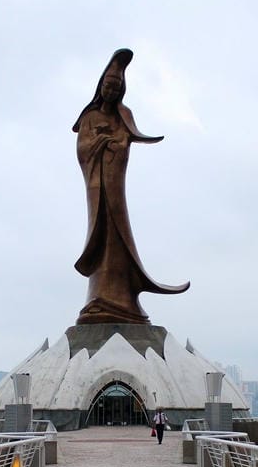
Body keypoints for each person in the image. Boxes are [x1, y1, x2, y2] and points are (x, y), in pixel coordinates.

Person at [72, 49, 189, 325]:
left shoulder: (124, 114)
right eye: (107, 85)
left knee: (118, 233)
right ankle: (99, 296)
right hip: (98, 185)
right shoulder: (89, 117)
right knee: (101, 233)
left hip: (114, 183)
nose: (111, 91)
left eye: (116, 87)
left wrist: (116, 144)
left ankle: (122, 298)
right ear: (101, 86)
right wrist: (100, 143)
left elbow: (126, 140)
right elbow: (83, 149)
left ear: (121, 90)